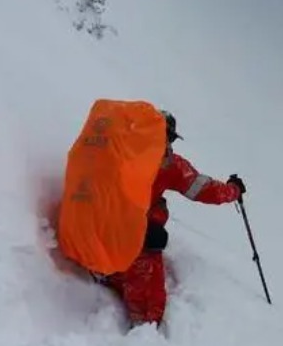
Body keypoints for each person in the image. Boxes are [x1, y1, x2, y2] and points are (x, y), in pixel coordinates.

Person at [89, 111, 245, 328]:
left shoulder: (167, 164)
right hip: (111, 226)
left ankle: (111, 275)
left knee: (150, 240)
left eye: (168, 138)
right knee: (146, 264)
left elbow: (202, 189)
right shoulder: (121, 156)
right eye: (163, 136)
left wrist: (232, 190)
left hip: (117, 227)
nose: (166, 143)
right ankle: (144, 323)